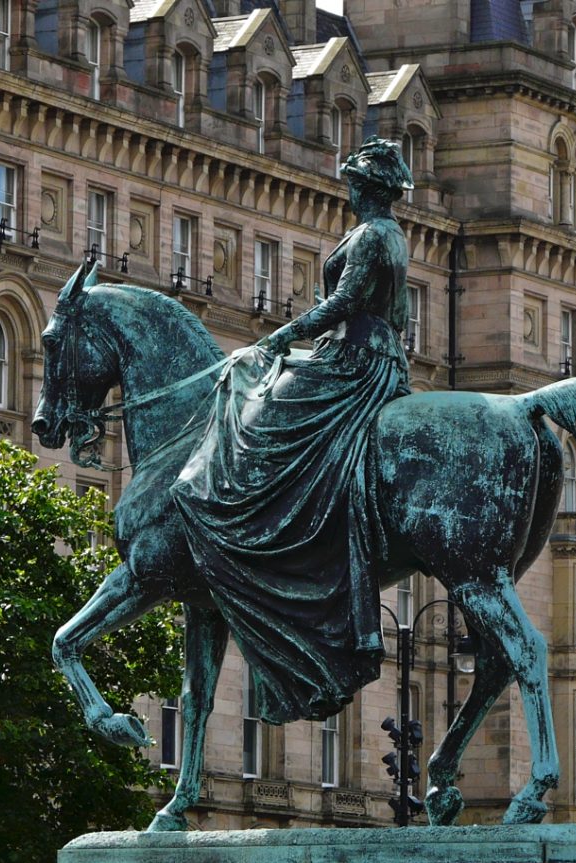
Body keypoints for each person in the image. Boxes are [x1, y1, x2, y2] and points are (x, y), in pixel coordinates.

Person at [171, 136, 414, 726]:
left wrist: (284, 336)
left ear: (369, 188)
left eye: (355, 180)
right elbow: (396, 314)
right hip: (382, 358)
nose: (348, 188)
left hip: (352, 359)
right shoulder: (395, 238)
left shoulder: (372, 235)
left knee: (259, 413)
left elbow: (345, 303)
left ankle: (252, 526)